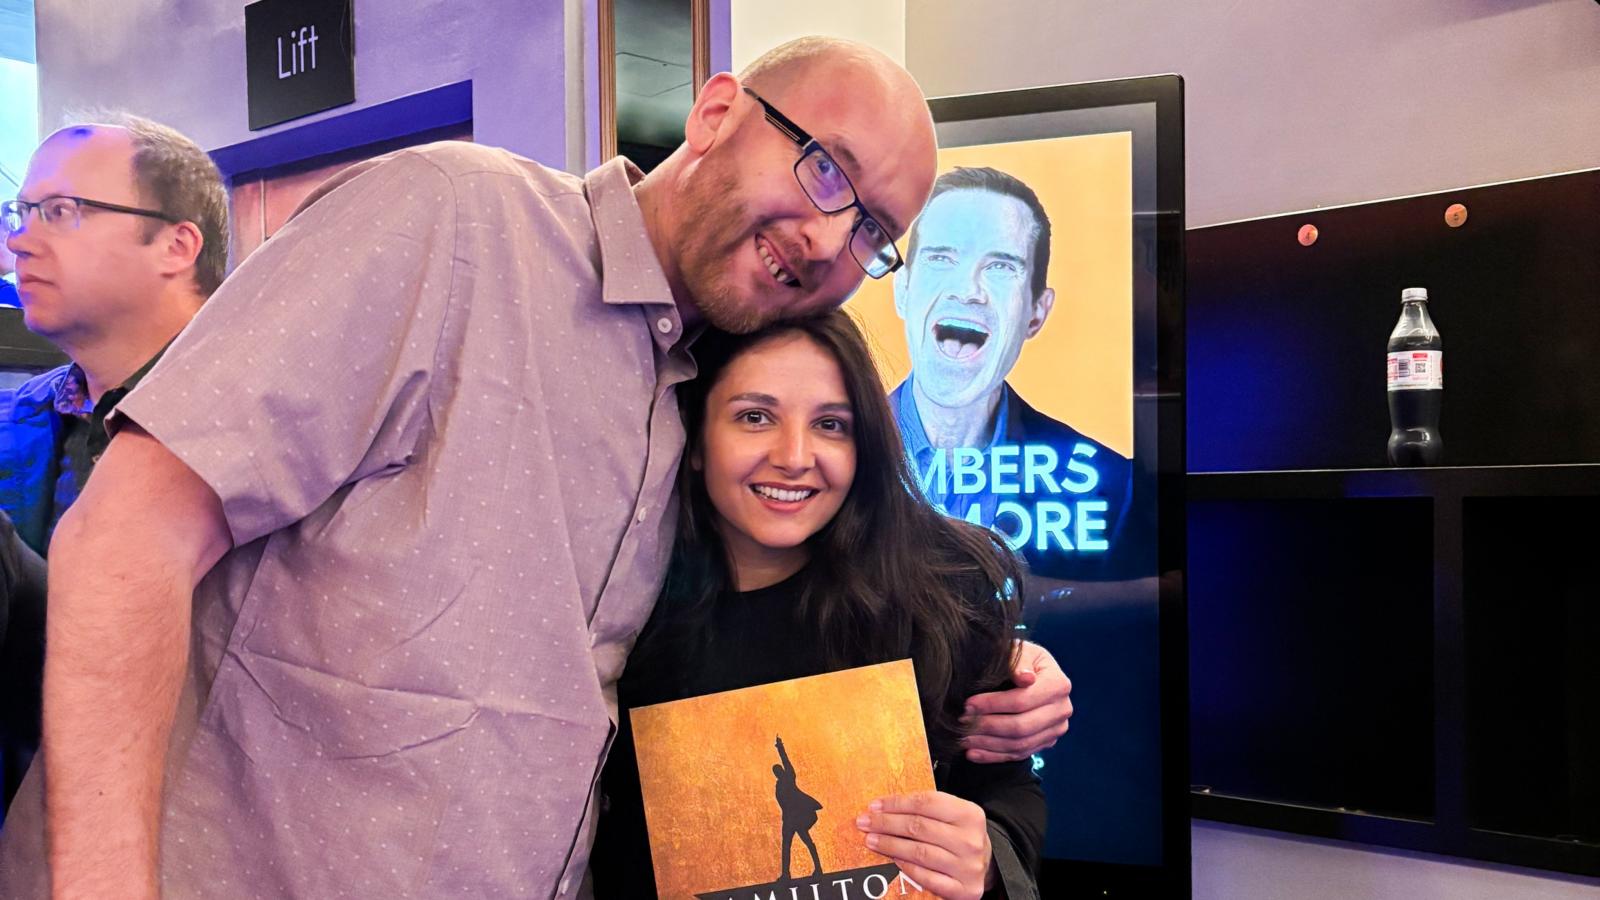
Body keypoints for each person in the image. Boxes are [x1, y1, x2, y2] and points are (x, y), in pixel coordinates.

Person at [0, 38, 1063, 899]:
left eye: (873, 229)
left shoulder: (690, 394)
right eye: (824, 166)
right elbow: (127, 534)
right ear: (716, 113)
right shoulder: (457, 222)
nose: (832, 234)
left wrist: (1002, 672)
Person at [592, 312, 1045, 900]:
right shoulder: (620, 612)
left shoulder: (936, 598)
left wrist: (986, 855)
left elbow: (1008, 788)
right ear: (696, 438)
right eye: (755, 417)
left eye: (831, 424)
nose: (795, 456)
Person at [0, 113, 227, 819]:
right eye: (22, 211)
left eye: (62, 212)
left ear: (176, 244)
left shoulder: (263, 427)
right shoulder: (19, 420)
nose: (19, 239)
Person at [889, 166, 1134, 580]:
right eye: (941, 258)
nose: (968, 289)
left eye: (1001, 267)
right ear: (902, 290)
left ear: (1037, 313)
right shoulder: (826, 461)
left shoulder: (1111, 487)